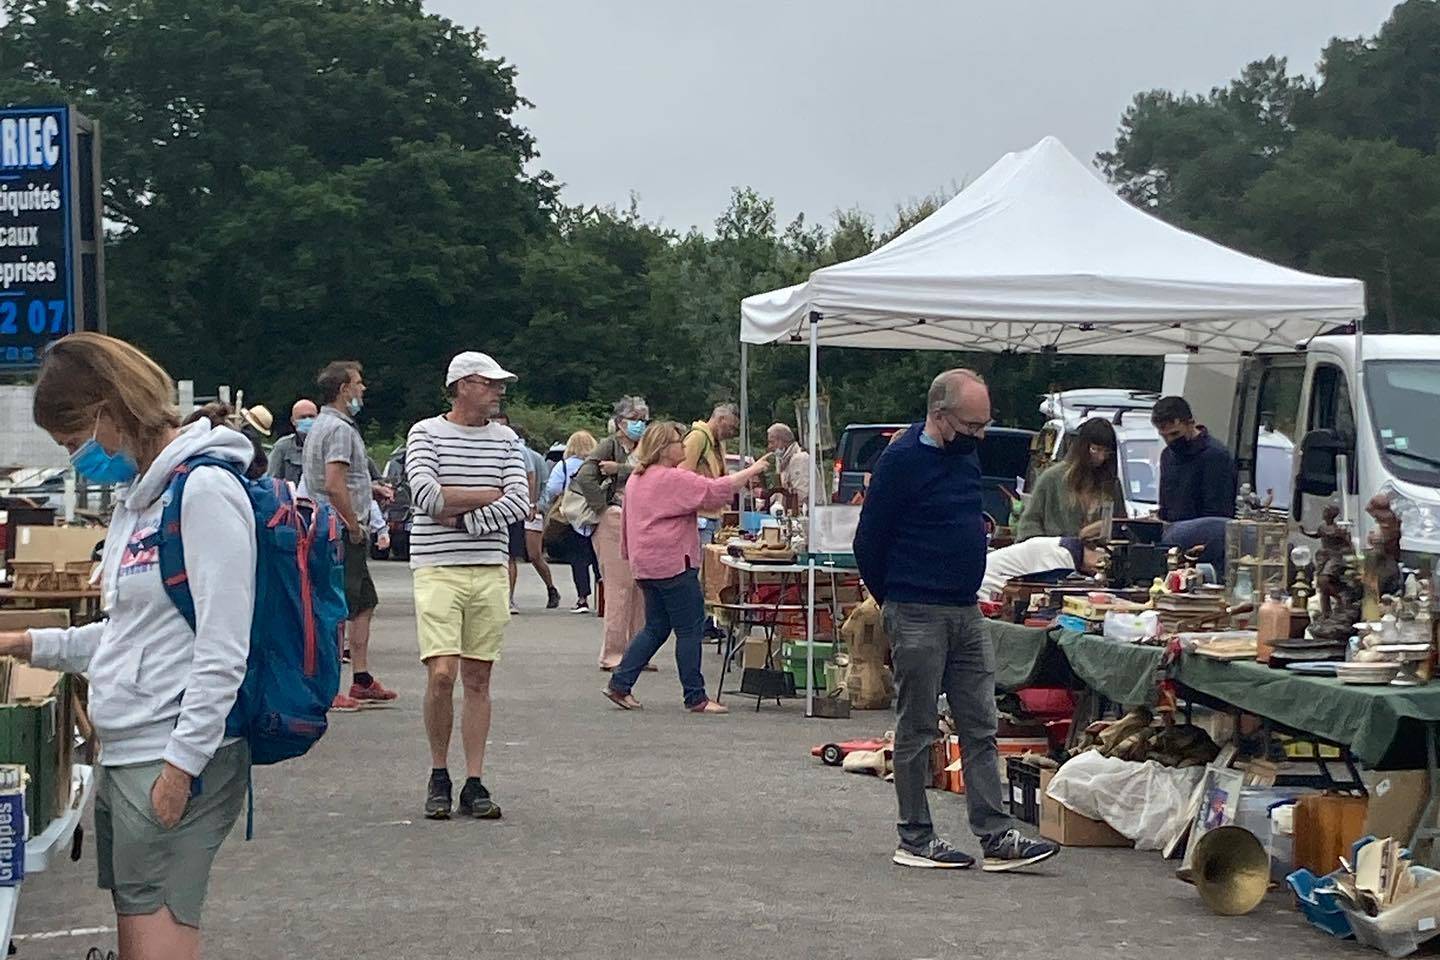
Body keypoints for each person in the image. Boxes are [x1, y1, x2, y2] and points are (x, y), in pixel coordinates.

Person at [0, 333, 254, 960]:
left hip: (169, 753)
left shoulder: (202, 492)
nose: (74, 459)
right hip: (131, 752)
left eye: (73, 441)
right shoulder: (138, 501)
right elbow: (128, 633)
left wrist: (181, 769)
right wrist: (28, 641)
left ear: (110, 411)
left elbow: (223, 648)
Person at [853, 368, 1059, 873]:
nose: (980, 436)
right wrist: (895, 598)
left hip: (965, 608)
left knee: (980, 722)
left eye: (984, 424)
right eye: (971, 425)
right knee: (917, 725)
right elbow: (868, 541)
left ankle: (995, 834)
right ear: (939, 416)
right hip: (917, 607)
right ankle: (916, 836)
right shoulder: (901, 461)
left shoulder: (964, 454)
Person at [406, 351, 529, 821]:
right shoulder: (426, 432)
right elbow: (424, 494)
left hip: (488, 565)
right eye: (489, 383)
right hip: (437, 565)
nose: (498, 390)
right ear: (461, 386)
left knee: (479, 676)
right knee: (442, 673)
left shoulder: (506, 439)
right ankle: (439, 770)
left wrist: (462, 517)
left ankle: (474, 779)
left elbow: (520, 499)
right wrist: (489, 496)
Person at [602, 421, 771, 714]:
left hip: (646, 565)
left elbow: (629, 521)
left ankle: (621, 683)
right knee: (690, 628)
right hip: (673, 564)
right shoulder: (671, 479)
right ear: (665, 449)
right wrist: (753, 470)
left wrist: (630, 556)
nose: (684, 446)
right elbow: (715, 491)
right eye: (679, 442)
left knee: (656, 626)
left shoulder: (637, 479)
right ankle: (696, 697)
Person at [302, 360, 398, 710]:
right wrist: (354, 525)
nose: (363, 389)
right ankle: (330, 687)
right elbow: (332, 483)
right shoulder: (340, 430)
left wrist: (369, 488)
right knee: (337, 608)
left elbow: (336, 479)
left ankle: (361, 677)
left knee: (363, 603)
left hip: (327, 523)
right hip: (340, 530)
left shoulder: (322, 425)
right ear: (343, 389)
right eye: (358, 383)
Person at [574, 397, 651, 671]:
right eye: (634, 418)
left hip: (642, 519)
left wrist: (622, 470)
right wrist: (603, 507)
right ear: (620, 422)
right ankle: (614, 653)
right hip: (615, 518)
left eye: (643, 419)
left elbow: (653, 472)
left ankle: (638, 651)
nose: (640, 424)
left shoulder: (644, 447)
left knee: (640, 587)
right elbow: (584, 477)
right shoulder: (609, 446)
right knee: (619, 586)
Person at [1016, 417, 1127, 541]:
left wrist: (1107, 527)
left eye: (1106, 452)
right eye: (1095, 449)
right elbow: (1028, 527)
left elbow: (1122, 528)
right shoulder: (1052, 478)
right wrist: (1057, 546)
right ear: (1082, 447)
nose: (1101, 457)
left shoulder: (1111, 485)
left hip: (1100, 557)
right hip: (1056, 556)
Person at [495, 416, 560, 611]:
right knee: (512, 555)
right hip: (518, 507)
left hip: (529, 509)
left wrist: (532, 505)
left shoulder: (520, 452)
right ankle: (509, 596)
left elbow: (531, 478)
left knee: (533, 555)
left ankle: (550, 588)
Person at [1151, 396, 1236, 522]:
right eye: (1164, 436)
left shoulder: (1215, 456)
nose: (1170, 440)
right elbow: (1166, 505)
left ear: (1190, 424)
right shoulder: (1168, 455)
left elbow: (1218, 511)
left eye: (1175, 434)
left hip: (1204, 532)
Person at [543, 430, 601, 613]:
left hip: (572, 517)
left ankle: (582, 599)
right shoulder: (597, 465)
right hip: (596, 514)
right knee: (600, 559)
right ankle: (604, 598)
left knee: (579, 559)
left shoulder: (564, 466)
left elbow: (552, 489)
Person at [681, 401, 739, 544]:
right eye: (731, 427)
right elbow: (682, 475)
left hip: (714, 516)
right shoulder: (697, 438)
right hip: (699, 516)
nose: (731, 433)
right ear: (720, 420)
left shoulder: (718, 444)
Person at [979, 536, 1106, 601]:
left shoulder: (1063, 549)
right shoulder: (1063, 555)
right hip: (987, 582)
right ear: (1095, 548)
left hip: (989, 575)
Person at [266, 399, 319, 485]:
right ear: (293, 421)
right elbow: (271, 481)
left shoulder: (327, 445)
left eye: (311, 416)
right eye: (303, 417)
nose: (308, 420)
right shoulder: (282, 447)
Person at [766, 422, 813, 509]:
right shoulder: (784, 460)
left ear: (783, 440)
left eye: (772, 442)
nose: (770, 446)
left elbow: (800, 495)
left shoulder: (799, 458)